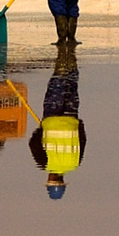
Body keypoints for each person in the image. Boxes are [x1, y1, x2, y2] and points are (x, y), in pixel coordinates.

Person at [28, 44, 85, 199]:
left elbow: (82, 140)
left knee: (71, 85)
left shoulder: (75, 163)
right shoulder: (45, 163)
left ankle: (70, 59)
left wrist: (78, 123)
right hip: (51, 118)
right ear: (50, 179)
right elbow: (33, 143)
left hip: (71, 117)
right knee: (56, 84)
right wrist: (41, 129)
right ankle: (63, 56)